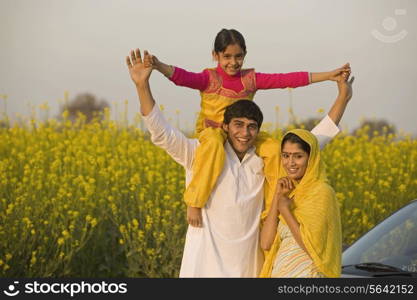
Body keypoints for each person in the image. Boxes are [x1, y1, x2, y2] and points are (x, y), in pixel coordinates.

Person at [126, 48, 352, 277]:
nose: (245, 132)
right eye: (238, 124)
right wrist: (142, 86)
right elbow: (162, 133)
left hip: (249, 271)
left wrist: (342, 97)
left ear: (258, 130)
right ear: (224, 126)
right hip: (203, 269)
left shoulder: (267, 160)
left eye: (251, 126)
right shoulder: (200, 155)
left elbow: (314, 143)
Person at [146, 28, 350, 228]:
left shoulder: (250, 80)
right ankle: (195, 201)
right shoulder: (209, 78)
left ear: (245, 55)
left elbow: (286, 79)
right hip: (214, 132)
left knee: (272, 149)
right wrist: (157, 65)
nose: (233, 62)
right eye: (226, 56)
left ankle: (273, 208)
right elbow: (182, 77)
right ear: (215, 55)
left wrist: (329, 75)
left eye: (238, 56)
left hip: (245, 132)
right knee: (215, 146)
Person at [259, 128, 343, 277]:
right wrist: (277, 198)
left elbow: (312, 247)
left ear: (311, 159)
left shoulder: (322, 193)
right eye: (285, 156)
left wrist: (285, 210)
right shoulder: (289, 193)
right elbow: (266, 243)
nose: (290, 163)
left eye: (298, 156)